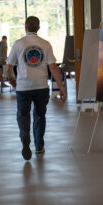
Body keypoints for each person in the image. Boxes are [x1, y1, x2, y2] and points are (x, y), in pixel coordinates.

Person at [6, 16, 66, 161]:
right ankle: (39, 146)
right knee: (39, 115)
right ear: (38, 28)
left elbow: (9, 67)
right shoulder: (45, 44)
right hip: (41, 86)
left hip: (23, 87)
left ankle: (25, 134)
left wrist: (12, 80)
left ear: (25, 28)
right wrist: (62, 87)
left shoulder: (19, 44)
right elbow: (53, 67)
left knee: (23, 114)